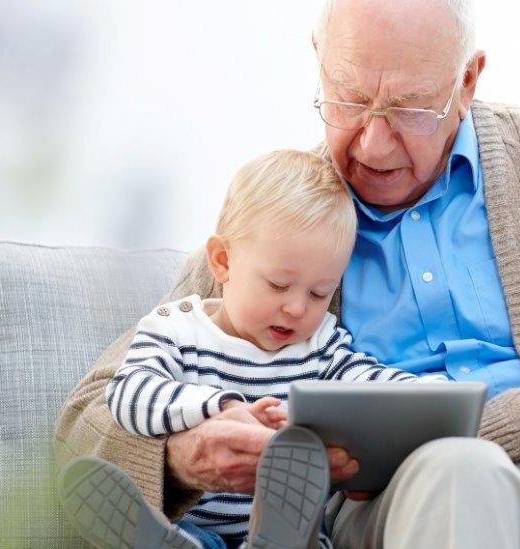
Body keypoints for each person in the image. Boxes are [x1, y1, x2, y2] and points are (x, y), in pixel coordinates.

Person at [55, 0, 520, 547]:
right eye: (348, 98)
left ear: (468, 80)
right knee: (458, 472)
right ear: (317, 62)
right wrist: (184, 456)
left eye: (411, 107)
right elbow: (87, 418)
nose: (373, 143)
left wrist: (484, 423)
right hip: (415, 497)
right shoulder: (289, 222)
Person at [59, 150, 445, 549]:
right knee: (191, 537)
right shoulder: (176, 331)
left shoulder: (319, 345)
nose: (297, 308)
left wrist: (425, 393)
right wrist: (221, 407)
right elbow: (128, 392)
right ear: (223, 261)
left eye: (319, 293)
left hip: (295, 536)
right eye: (278, 285)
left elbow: (367, 379)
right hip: (194, 527)